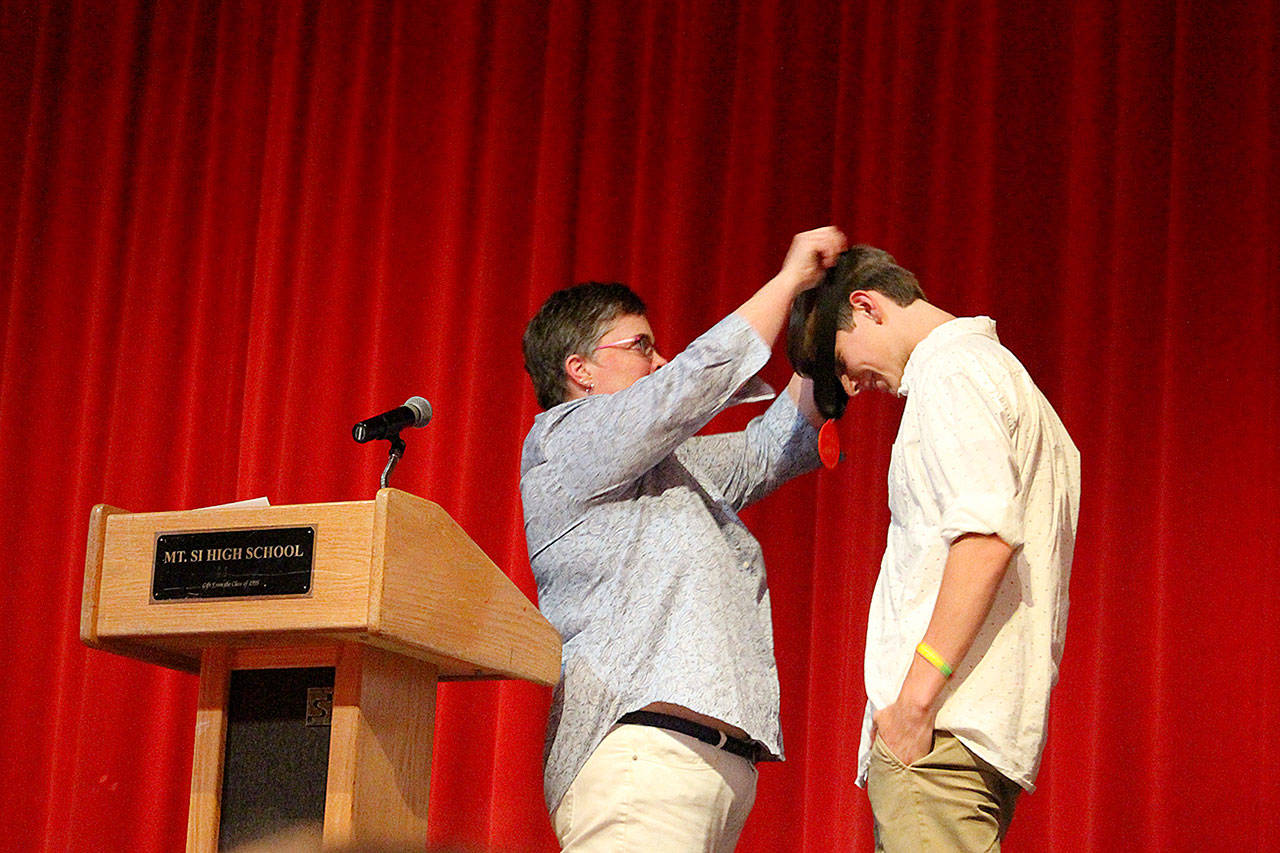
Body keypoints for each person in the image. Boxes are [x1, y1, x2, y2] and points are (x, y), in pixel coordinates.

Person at [519, 226, 847, 851]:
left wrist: (819, 341)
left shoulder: (671, 463)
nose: (661, 360)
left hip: (704, 768)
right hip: (640, 762)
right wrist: (787, 281)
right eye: (641, 345)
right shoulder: (562, 442)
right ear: (579, 370)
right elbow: (688, 385)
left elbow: (765, 452)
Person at [788, 246, 1080, 851]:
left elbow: (986, 539)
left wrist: (914, 703)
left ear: (866, 307)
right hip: (972, 735)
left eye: (840, 362)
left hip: (939, 734)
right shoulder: (1004, 376)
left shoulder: (950, 373)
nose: (852, 385)